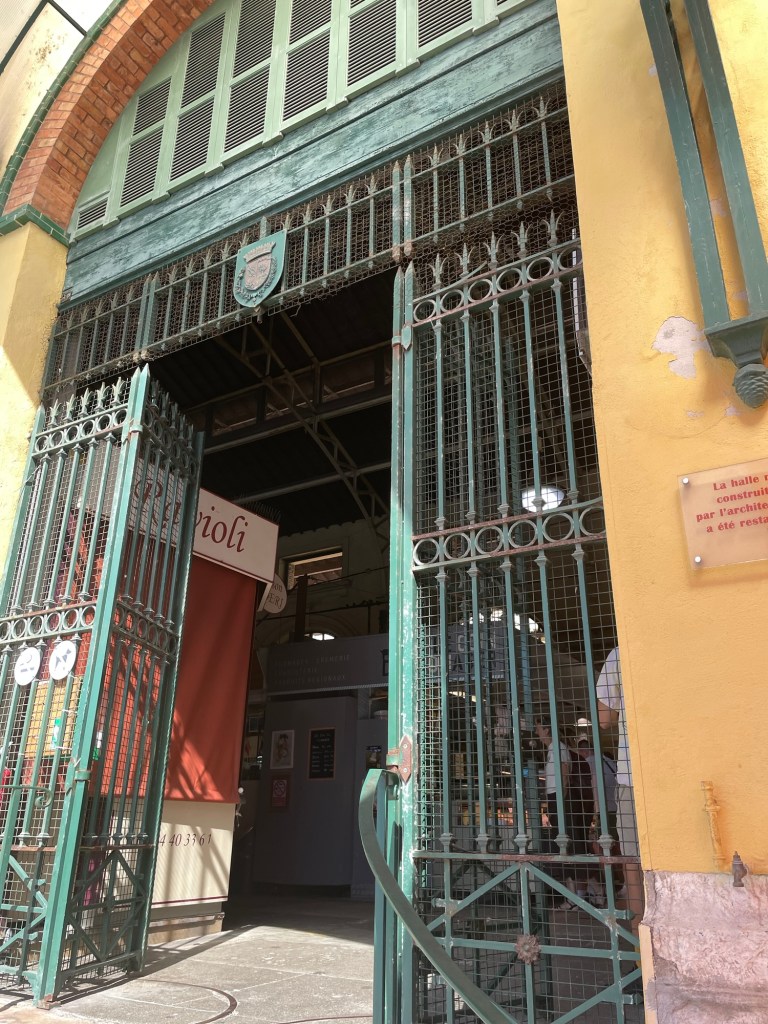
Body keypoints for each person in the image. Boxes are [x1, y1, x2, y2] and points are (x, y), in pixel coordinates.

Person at [595, 647, 644, 934]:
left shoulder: (620, 653)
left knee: (632, 861)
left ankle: (641, 939)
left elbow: (604, 720)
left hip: (631, 773)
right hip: (673, 771)